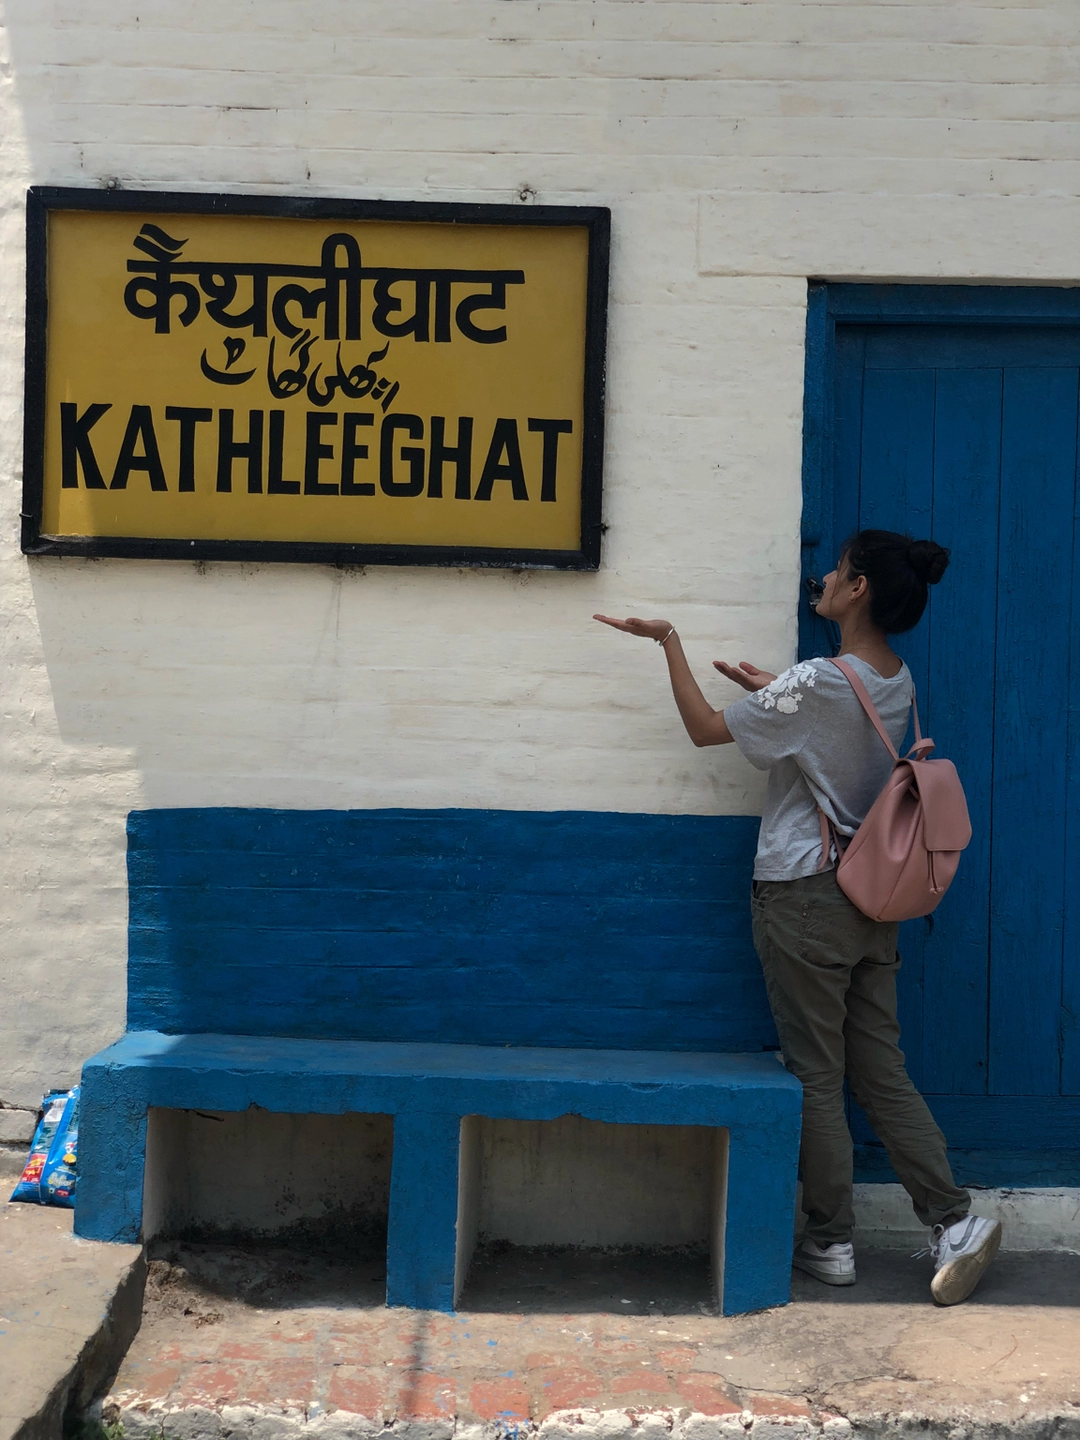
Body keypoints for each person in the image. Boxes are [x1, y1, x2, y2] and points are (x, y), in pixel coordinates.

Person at [594, 529, 1001, 1306]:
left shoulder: (819, 680)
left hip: (804, 895)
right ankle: (952, 1220)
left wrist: (670, 642)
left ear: (859, 591)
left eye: (838, 571)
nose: (824, 576)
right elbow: (840, 738)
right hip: (871, 897)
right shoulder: (896, 678)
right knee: (880, 1067)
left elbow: (708, 729)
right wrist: (778, 691)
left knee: (816, 1072)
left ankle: (831, 1240)